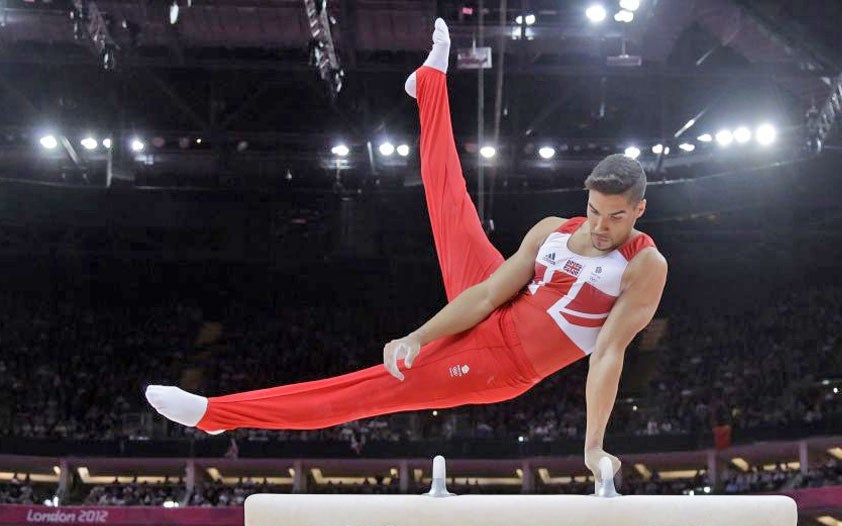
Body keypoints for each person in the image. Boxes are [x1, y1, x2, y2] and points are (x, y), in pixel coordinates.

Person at [145, 18, 667, 481]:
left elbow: (609, 352)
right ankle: (431, 84)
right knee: (450, 203)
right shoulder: (554, 228)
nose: (600, 227)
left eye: (615, 216)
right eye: (595, 210)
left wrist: (592, 446)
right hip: (493, 307)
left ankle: (218, 415)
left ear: (638, 210)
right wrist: (415, 338)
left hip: (499, 362)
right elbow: (486, 295)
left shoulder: (643, 266)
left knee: (369, 389)